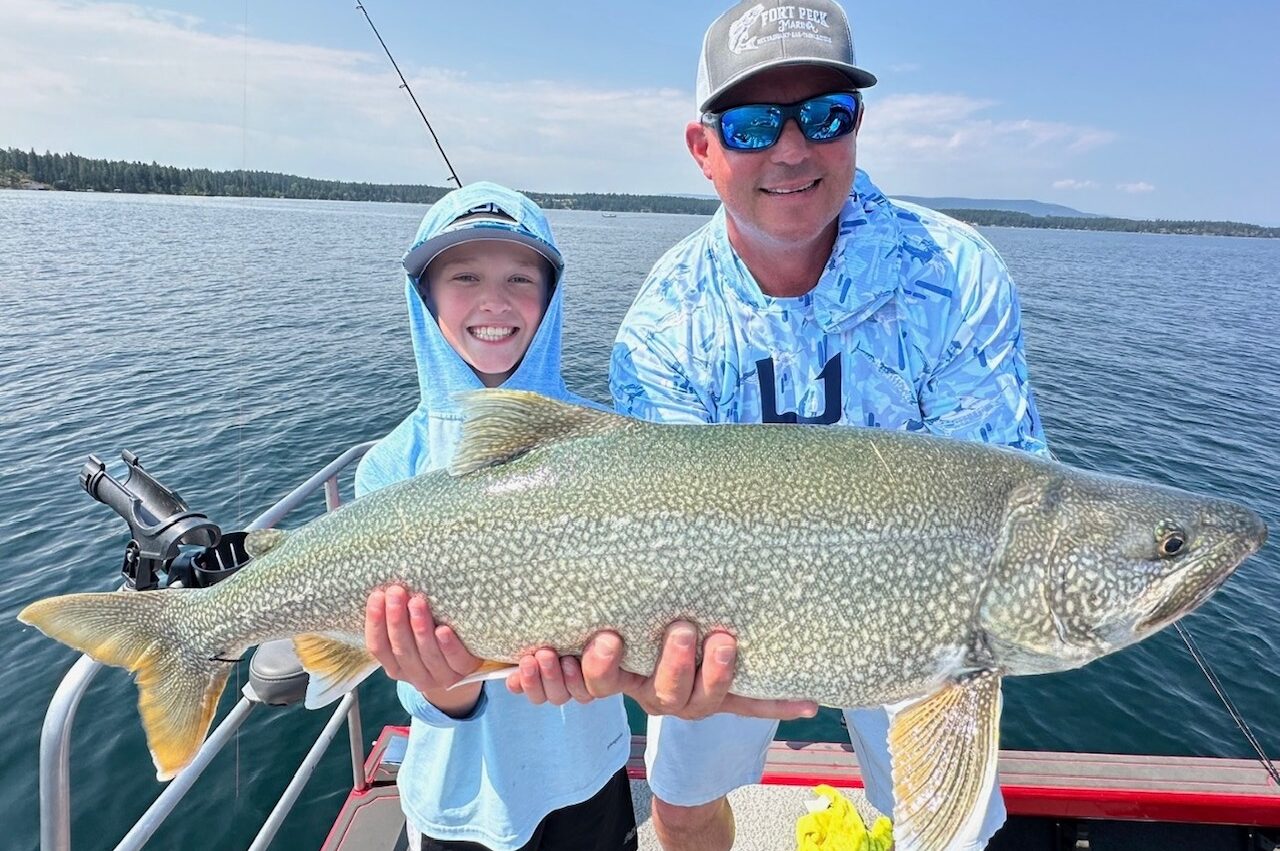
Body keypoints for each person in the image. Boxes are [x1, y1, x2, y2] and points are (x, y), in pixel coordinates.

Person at [608, 1, 1050, 849]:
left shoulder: (956, 275)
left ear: (856, 126)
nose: (790, 149)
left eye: (823, 114)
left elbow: (999, 508)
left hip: (926, 622)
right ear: (703, 149)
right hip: (721, 618)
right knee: (683, 800)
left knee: (947, 832)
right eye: (748, 124)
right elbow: (649, 532)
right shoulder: (664, 326)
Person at [355, 181, 639, 851]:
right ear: (425, 296)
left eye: (520, 276)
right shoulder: (391, 467)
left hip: (590, 774)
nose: (494, 299)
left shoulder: (607, 444)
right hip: (457, 794)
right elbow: (417, 684)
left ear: (552, 293)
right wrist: (444, 683)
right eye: (465, 276)